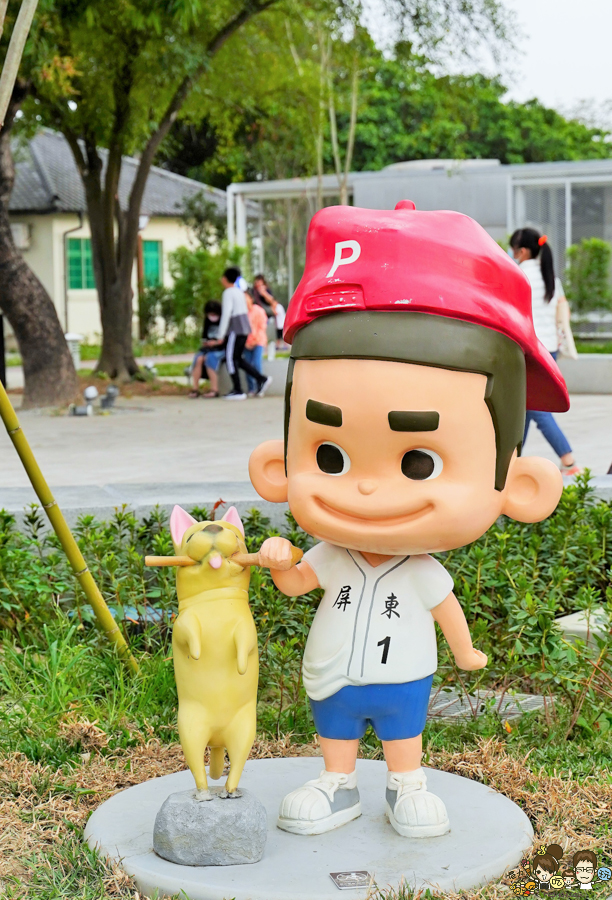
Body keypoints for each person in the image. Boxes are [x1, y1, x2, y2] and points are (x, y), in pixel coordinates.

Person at [249, 201, 567, 839]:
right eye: (329, 456)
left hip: (404, 675)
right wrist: (280, 563)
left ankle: (405, 784)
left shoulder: (420, 570)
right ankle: (337, 783)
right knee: (335, 725)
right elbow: (297, 584)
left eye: (418, 461)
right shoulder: (331, 555)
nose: (366, 486)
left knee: (403, 729)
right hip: (334, 670)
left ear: (520, 485)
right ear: (278, 467)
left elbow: (445, 609)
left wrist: (466, 649)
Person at [510, 228, 581, 476]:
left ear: (523, 251)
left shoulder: (518, 274)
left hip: (529, 350)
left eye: (514, 249)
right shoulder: (551, 276)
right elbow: (562, 311)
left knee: (537, 408)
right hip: (550, 349)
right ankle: (513, 459)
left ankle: (569, 460)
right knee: (527, 408)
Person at [209, 267, 272, 401]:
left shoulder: (228, 292)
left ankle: (237, 390)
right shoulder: (239, 292)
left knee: (230, 358)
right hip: (244, 329)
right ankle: (261, 379)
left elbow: (226, 314)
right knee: (238, 359)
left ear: (225, 279)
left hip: (235, 329)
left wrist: (221, 335)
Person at [189, 300, 225, 399]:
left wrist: (216, 343)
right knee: (199, 359)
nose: (212, 316)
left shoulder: (224, 321)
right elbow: (204, 337)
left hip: (220, 348)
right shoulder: (207, 321)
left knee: (210, 358)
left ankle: (214, 389)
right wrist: (206, 343)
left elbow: (226, 340)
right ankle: (195, 389)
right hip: (208, 348)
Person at [243, 288, 268, 396]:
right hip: (246, 343)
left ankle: (260, 386)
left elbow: (261, 327)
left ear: (250, 298)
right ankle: (251, 388)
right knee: (247, 365)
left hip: (258, 341)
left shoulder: (258, 310)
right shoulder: (242, 313)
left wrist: (255, 340)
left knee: (256, 363)